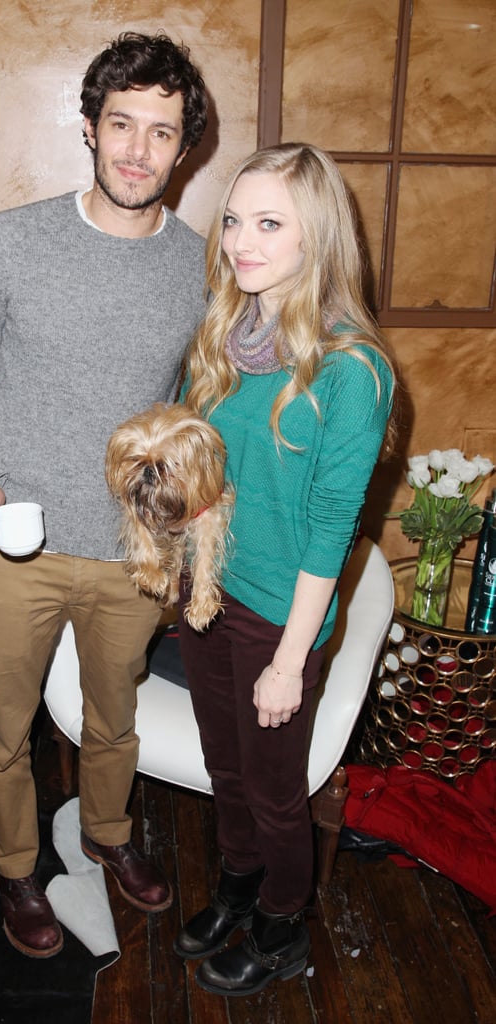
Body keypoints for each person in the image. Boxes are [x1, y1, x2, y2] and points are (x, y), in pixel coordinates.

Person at [0, 31, 208, 959]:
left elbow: (202, 408)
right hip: (21, 543)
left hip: (135, 546)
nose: (137, 149)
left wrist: (188, 516)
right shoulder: (12, 241)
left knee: (113, 716)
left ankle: (108, 835)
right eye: (120, 123)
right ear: (88, 127)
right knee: (5, 725)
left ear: (184, 146)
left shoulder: (202, 266)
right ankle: (16, 871)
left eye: (160, 132)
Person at [173, 142, 396, 995]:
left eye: (269, 223)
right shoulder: (223, 337)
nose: (240, 241)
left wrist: (287, 662)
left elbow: (330, 528)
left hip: (279, 614)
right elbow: (203, 475)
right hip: (209, 593)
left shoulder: (352, 369)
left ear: (318, 238)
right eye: (233, 220)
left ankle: (283, 919)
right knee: (223, 765)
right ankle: (238, 886)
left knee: (273, 791)